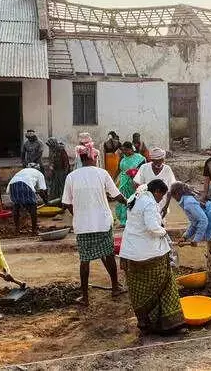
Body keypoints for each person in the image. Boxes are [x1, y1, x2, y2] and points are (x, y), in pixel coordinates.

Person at [62, 143, 127, 306]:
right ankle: (114, 287)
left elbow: (67, 203)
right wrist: (129, 203)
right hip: (102, 222)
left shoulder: (71, 176)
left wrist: (77, 215)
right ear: (93, 157)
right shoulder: (102, 173)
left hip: (83, 226)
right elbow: (117, 195)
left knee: (85, 260)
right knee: (109, 255)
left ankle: (84, 296)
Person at [119, 179, 185, 333]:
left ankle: (144, 323)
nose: (160, 200)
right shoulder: (148, 203)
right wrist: (164, 232)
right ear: (156, 192)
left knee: (138, 291)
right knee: (166, 283)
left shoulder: (135, 197)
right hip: (150, 253)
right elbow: (152, 228)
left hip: (131, 253)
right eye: (160, 197)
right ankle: (170, 324)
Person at [171, 182, 211, 294]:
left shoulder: (188, 203)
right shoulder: (188, 198)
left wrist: (196, 239)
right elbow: (195, 221)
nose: (172, 198)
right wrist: (185, 237)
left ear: (177, 193)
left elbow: (203, 220)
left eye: (172, 195)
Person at [134, 147, 177, 217]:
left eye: (161, 160)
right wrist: (140, 199)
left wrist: (166, 207)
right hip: (146, 204)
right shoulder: (144, 167)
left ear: (163, 159)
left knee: (160, 224)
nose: (159, 163)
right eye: (156, 161)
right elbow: (136, 183)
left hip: (162, 204)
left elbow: (170, 189)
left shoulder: (167, 169)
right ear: (152, 160)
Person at [7, 164, 48, 235]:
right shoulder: (40, 174)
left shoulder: (23, 171)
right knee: (33, 207)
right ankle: (34, 230)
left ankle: (17, 230)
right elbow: (42, 190)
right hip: (26, 185)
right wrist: (46, 201)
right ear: (39, 169)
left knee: (16, 206)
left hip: (13, 186)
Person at [116, 141, 146, 226]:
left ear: (131, 149)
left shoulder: (140, 158)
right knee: (123, 200)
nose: (124, 152)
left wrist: (134, 174)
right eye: (123, 150)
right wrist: (114, 180)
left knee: (135, 200)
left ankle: (136, 219)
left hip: (135, 183)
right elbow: (119, 170)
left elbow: (142, 170)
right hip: (124, 183)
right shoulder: (123, 158)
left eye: (126, 150)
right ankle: (124, 220)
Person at [45, 137, 70, 202]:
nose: (50, 147)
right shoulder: (54, 150)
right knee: (55, 185)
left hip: (62, 171)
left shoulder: (61, 150)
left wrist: (65, 172)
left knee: (62, 185)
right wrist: (51, 168)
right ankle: (56, 199)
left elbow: (66, 162)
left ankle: (63, 199)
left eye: (50, 146)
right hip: (56, 171)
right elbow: (53, 160)